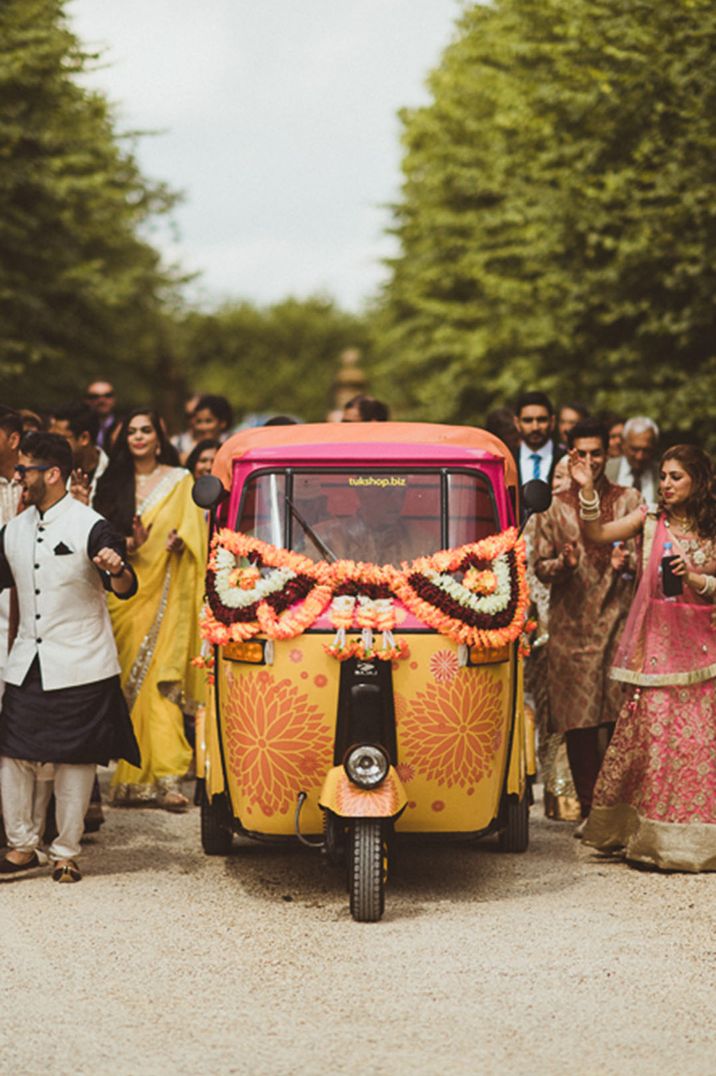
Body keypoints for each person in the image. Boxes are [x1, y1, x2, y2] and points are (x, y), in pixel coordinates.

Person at [0, 432, 139, 883]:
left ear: (52, 474)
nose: (18, 477)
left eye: (25, 470)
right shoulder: (13, 530)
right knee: (12, 754)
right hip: (27, 662)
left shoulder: (91, 525)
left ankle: (65, 851)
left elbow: (124, 584)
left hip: (82, 661)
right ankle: (22, 847)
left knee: (75, 759)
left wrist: (116, 569)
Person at [573, 444, 716, 871]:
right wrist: (587, 492)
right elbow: (596, 535)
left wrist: (693, 579)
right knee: (655, 740)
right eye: (664, 476)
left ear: (699, 481)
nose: (667, 485)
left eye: (677, 477)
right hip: (656, 650)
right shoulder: (650, 519)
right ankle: (649, 838)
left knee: (698, 744)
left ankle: (700, 841)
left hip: (705, 648)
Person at [94, 409, 206, 811]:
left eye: (147, 430)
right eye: (132, 431)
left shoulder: (181, 481)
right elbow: (99, 537)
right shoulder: (110, 484)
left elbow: (196, 533)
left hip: (168, 590)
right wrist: (129, 543)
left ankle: (168, 778)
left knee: (160, 682)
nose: (139, 437)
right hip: (125, 594)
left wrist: (179, 544)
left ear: (160, 437)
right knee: (131, 685)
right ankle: (131, 777)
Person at [532, 418, 641, 826]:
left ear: (609, 454)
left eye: (598, 453)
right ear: (570, 453)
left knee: (616, 716)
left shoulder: (629, 500)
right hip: (572, 625)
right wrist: (565, 563)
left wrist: (629, 563)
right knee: (577, 720)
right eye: (584, 454)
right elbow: (539, 567)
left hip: (618, 619)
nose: (592, 461)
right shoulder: (554, 504)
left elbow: (648, 561)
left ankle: (616, 807)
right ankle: (591, 811)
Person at [49, 403, 108, 505]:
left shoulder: (115, 473)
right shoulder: (51, 474)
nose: (53, 445)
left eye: (60, 438)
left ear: (84, 438)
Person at [514, 391, 564, 488]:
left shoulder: (566, 459)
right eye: (528, 420)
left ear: (552, 421)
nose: (535, 427)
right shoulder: (507, 462)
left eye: (541, 420)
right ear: (517, 423)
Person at [605, 416, 660, 500]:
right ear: (623, 443)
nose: (640, 457)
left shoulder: (662, 475)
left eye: (646, 450)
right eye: (634, 449)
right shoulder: (606, 470)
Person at [84, 380, 119, 451]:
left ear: (114, 399)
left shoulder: (125, 425)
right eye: (95, 397)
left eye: (107, 396)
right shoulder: (80, 427)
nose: (101, 400)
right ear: (86, 400)